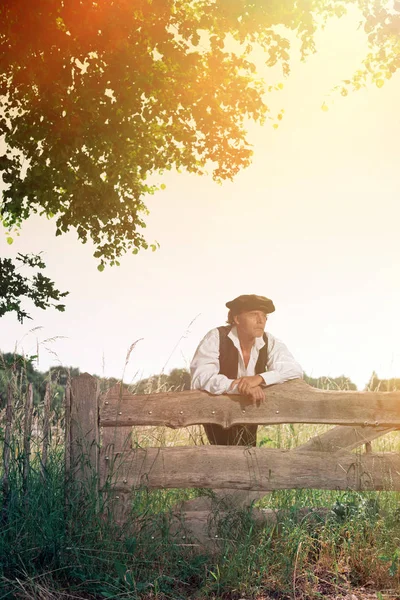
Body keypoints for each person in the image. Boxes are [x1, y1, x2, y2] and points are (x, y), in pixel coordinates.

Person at [190, 294, 303, 447]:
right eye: (254, 315)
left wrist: (259, 379)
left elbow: (294, 369)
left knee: (249, 458)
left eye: (264, 316)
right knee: (222, 459)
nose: (261, 320)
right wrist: (238, 386)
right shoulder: (216, 337)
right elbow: (201, 377)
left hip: (250, 416)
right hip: (218, 416)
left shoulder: (269, 341)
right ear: (237, 319)